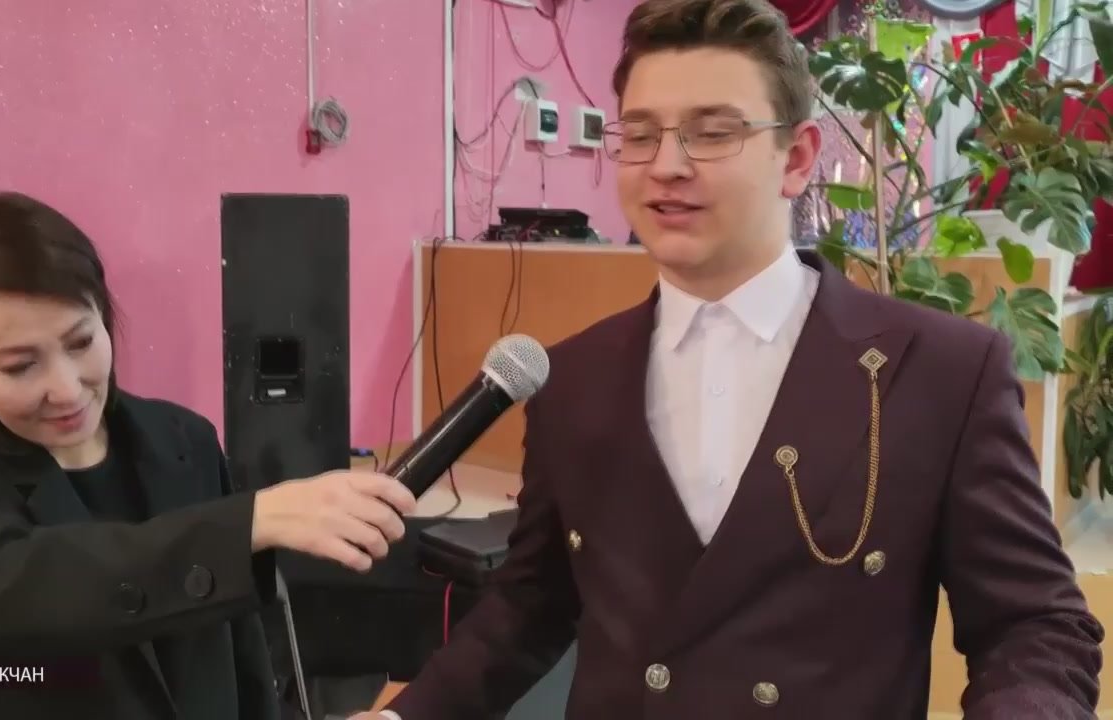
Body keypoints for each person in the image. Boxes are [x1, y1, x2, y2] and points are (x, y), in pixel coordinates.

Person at [355, 0, 1104, 718]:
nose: (666, 165)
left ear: (796, 158)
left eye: (712, 133)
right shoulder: (573, 378)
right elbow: (529, 607)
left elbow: (1032, 625)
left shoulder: (940, 373)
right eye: (640, 135)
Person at [0, 190, 417, 719]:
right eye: (20, 366)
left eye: (82, 342)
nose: (68, 389)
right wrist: (245, 525)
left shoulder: (183, 439)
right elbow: (29, 585)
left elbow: (243, 655)